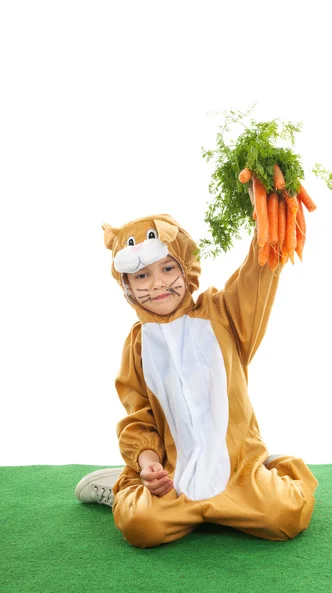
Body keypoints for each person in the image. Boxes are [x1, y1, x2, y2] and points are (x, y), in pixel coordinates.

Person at [75, 189, 318, 548]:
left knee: (285, 516)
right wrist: (147, 465)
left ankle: (271, 468)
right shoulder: (138, 345)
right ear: (126, 286)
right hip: (176, 475)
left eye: (168, 268)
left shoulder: (222, 315)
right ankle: (124, 485)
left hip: (238, 468)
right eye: (141, 276)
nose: (157, 283)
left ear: (186, 266)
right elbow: (138, 417)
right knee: (141, 528)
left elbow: (258, 273)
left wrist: (266, 218)